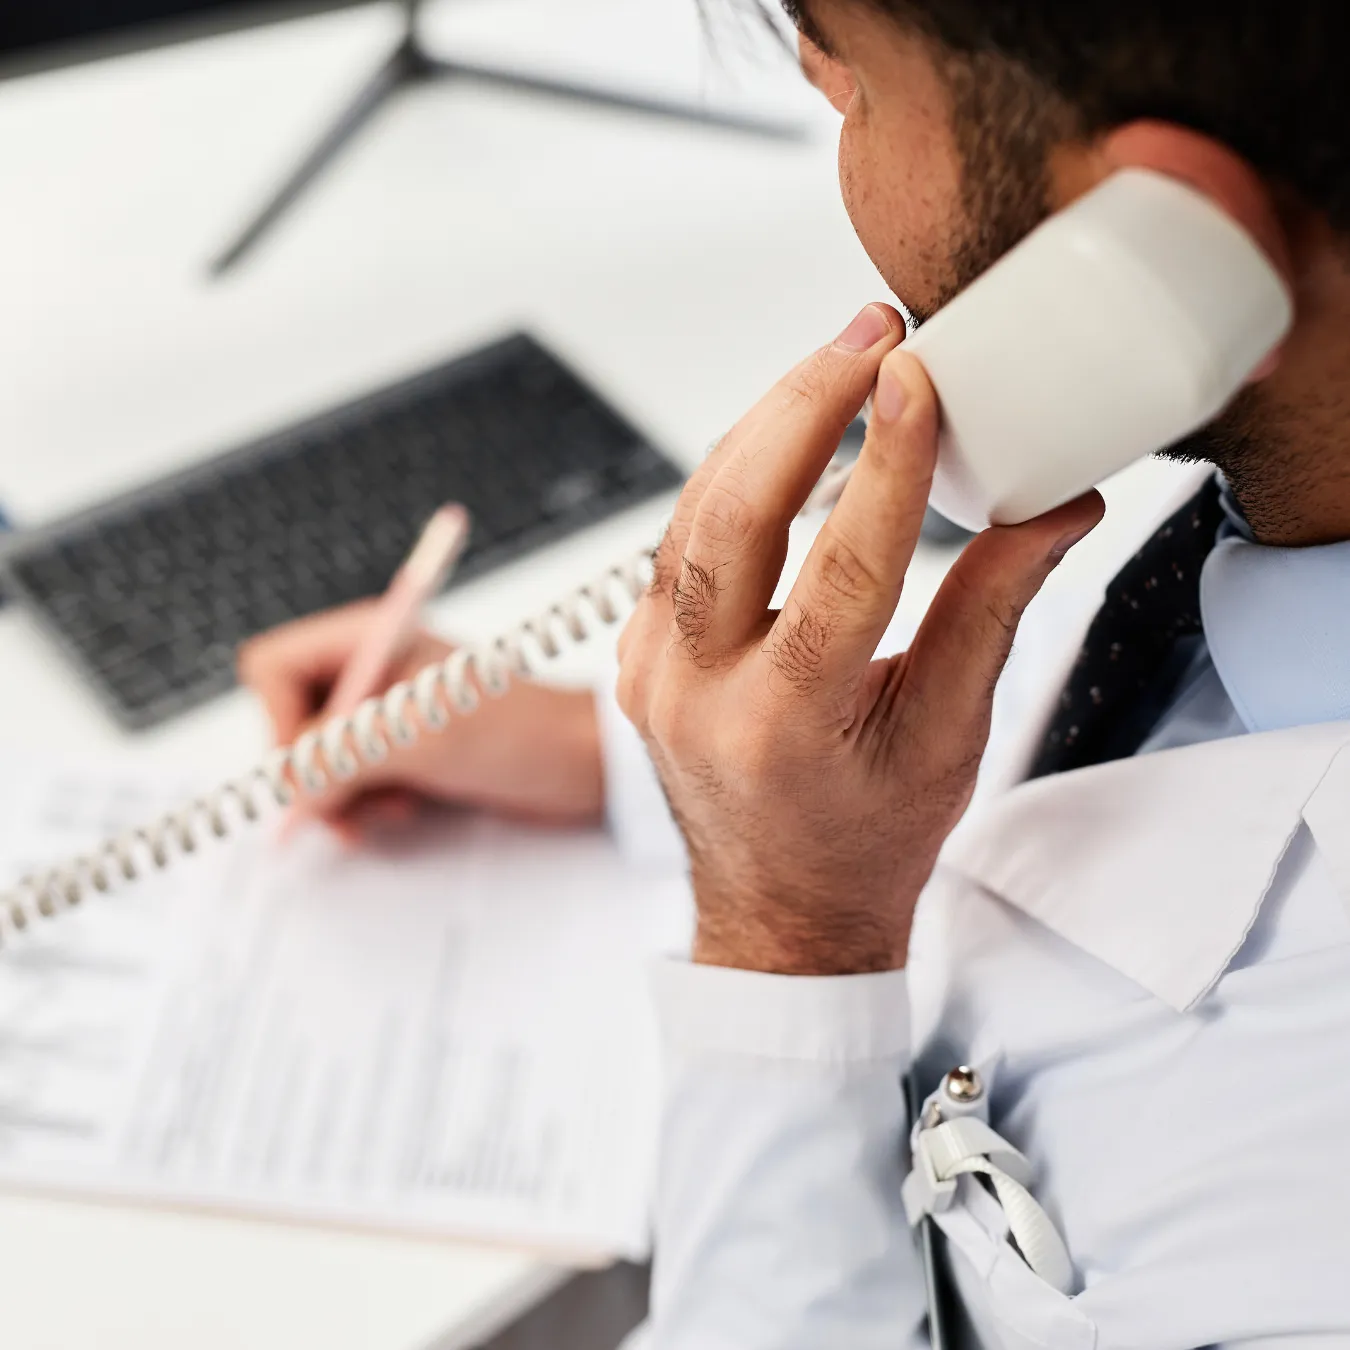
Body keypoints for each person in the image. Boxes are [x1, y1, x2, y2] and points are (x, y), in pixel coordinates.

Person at [241, 1, 1350, 1341]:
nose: (838, 135)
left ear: (1171, 233)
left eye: (848, 91)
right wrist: (619, 755)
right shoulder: (1278, 505)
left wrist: (786, 948)